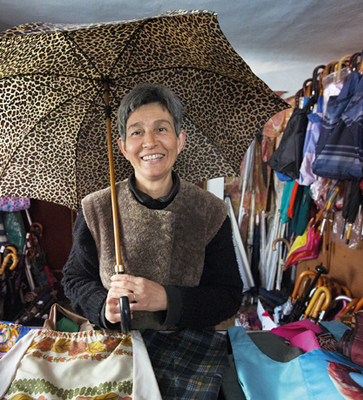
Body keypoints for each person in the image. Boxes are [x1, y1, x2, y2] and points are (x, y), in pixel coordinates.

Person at [61, 82, 244, 399]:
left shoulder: (210, 211)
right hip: (114, 348)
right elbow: (74, 278)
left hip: (188, 349)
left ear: (180, 139)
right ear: (121, 146)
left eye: (162, 128)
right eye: (136, 132)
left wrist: (168, 300)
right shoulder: (97, 208)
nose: (149, 142)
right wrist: (102, 306)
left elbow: (229, 295)